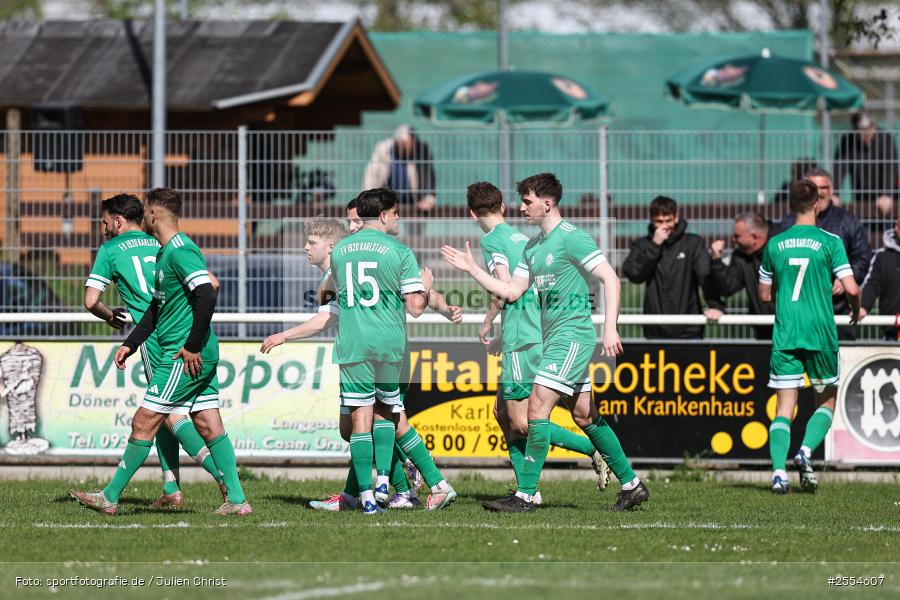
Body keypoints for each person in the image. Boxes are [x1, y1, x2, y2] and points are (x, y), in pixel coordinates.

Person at [442, 173, 646, 513]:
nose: (521, 207)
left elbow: (610, 277)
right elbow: (509, 291)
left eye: (528, 201)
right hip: (552, 340)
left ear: (547, 204)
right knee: (584, 416)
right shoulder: (533, 247)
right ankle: (632, 485)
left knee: (535, 409)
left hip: (573, 337)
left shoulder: (572, 238)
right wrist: (471, 269)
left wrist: (610, 328)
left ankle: (525, 495)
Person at [260, 211, 461, 511]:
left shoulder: (367, 258)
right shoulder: (340, 271)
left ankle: (406, 484)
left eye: (355, 221)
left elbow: (415, 291)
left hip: (381, 353)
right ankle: (377, 487)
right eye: (350, 222)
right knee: (358, 426)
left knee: (384, 419)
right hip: (363, 352)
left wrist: (442, 305)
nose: (353, 227)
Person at [70, 188, 250, 516]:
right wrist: (130, 343)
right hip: (188, 349)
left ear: (153, 215)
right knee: (208, 423)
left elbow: (208, 293)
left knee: (147, 418)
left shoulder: (179, 250)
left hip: (182, 353)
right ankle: (236, 499)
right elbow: (156, 307)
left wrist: (191, 345)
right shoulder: (163, 252)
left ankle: (110, 496)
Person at [467, 181, 611, 498]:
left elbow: (504, 286)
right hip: (529, 330)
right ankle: (527, 488)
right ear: (503, 207)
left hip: (524, 338)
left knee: (522, 421)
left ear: (472, 213)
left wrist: (489, 319)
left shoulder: (490, 241)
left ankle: (590, 451)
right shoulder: (523, 237)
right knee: (502, 414)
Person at [329, 188, 457, 514]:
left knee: (361, 418)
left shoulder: (341, 251)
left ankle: (370, 495)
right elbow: (415, 308)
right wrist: (426, 288)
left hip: (354, 343)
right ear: (383, 215)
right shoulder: (399, 252)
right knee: (388, 411)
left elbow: (332, 294)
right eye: (396, 212)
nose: (399, 217)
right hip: (389, 344)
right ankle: (388, 483)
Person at [759, 179, 861, 495]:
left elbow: (764, 294)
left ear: (790, 206)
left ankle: (778, 473)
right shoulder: (830, 241)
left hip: (787, 333)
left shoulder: (775, 244)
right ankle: (804, 451)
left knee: (783, 408)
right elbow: (853, 288)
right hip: (820, 334)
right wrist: (856, 309)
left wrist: (784, 292)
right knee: (826, 401)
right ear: (818, 204)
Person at [778, 168, 872, 340]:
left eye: (824, 188)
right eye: (814, 187)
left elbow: (863, 256)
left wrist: (845, 279)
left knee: (838, 364)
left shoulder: (848, 221)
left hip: (837, 312)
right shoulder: (788, 223)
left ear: (832, 190)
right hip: (798, 314)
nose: (820, 193)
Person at [622, 195, 722, 339]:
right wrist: (655, 245)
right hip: (655, 329)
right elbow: (633, 274)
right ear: (651, 220)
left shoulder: (692, 243)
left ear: (676, 218)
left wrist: (715, 305)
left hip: (690, 329)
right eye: (659, 221)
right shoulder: (643, 245)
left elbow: (705, 276)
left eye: (668, 220)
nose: (664, 226)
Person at [363, 125, 436, 239]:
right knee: (381, 232)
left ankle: (415, 255)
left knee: (416, 237)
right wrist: (367, 198)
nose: (409, 147)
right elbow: (372, 173)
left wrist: (429, 198)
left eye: (411, 144)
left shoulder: (421, 149)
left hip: (413, 201)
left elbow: (427, 174)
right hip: (387, 199)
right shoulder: (383, 148)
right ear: (397, 142)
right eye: (406, 145)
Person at [709, 212, 774, 339]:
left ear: (754, 237)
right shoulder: (740, 256)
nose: (733, 239)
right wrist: (716, 260)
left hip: (790, 328)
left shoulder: (781, 248)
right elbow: (729, 286)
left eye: (737, 236)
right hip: (763, 329)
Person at [833, 112, 899, 219]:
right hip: (860, 190)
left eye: (870, 128)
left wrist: (887, 194)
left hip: (884, 192)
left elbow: (890, 168)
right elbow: (840, 167)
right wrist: (835, 193)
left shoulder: (885, 139)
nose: (867, 133)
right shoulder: (848, 140)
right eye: (862, 130)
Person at [860, 215, 900, 341]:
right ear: (897, 227)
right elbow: (872, 284)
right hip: (892, 332)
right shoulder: (882, 257)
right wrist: (862, 306)